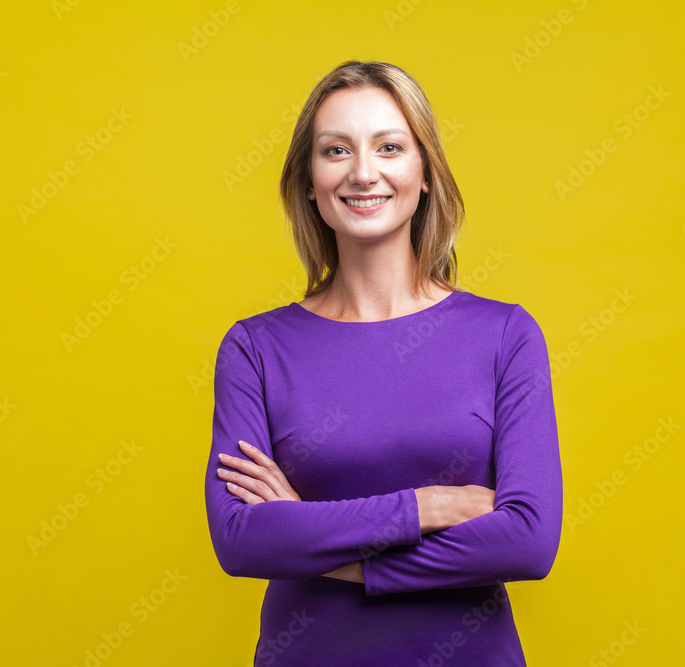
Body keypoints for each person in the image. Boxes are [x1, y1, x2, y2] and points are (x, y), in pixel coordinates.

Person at [205, 59, 563, 666]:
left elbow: (527, 543)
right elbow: (242, 541)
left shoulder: (505, 334)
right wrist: (428, 507)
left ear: (425, 174)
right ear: (310, 181)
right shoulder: (255, 348)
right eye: (336, 150)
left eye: (389, 146)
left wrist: (311, 535)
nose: (363, 172)